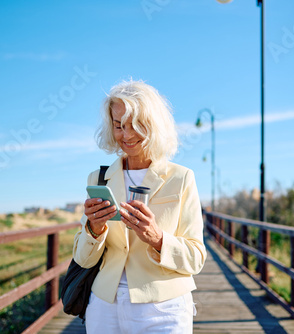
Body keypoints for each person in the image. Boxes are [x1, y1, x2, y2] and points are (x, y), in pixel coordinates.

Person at [72, 79, 207, 334]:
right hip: (104, 304)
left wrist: (157, 239)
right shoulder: (98, 179)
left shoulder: (181, 178)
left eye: (136, 124)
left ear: (154, 124)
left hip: (164, 308)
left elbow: (196, 258)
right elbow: (82, 259)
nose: (127, 134)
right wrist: (95, 228)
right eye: (119, 126)